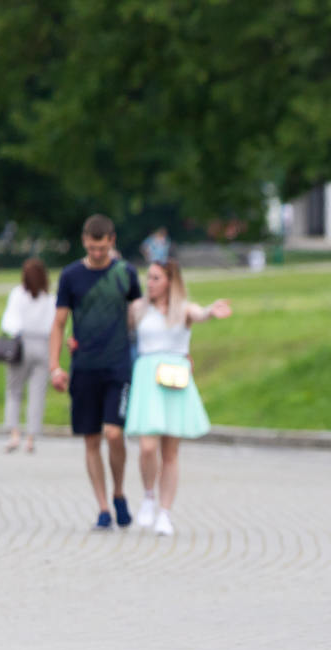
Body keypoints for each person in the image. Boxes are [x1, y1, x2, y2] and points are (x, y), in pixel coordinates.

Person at [124, 259, 232, 536]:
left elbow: (199, 313)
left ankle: (165, 512)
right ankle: (148, 495)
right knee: (148, 446)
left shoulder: (182, 310)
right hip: (148, 377)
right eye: (148, 277)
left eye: (156, 278)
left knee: (170, 452)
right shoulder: (138, 309)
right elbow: (121, 334)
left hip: (173, 379)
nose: (150, 283)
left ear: (170, 281)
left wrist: (211, 310)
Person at [50, 214, 142, 530]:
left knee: (114, 433)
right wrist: (55, 367)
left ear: (111, 241)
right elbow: (59, 322)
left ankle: (119, 491)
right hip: (84, 368)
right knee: (91, 440)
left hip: (118, 366)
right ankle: (103, 507)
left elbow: (141, 315)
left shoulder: (125, 274)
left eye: (102, 247)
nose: (97, 253)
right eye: (92, 247)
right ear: (84, 242)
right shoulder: (71, 276)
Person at [0, 258, 55, 453]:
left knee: (14, 390)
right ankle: (31, 438)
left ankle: (14, 433)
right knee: (37, 393)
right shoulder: (49, 298)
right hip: (42, 345)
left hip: (21, 344)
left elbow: (9, 321)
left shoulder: (18, 294)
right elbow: (53, 325)